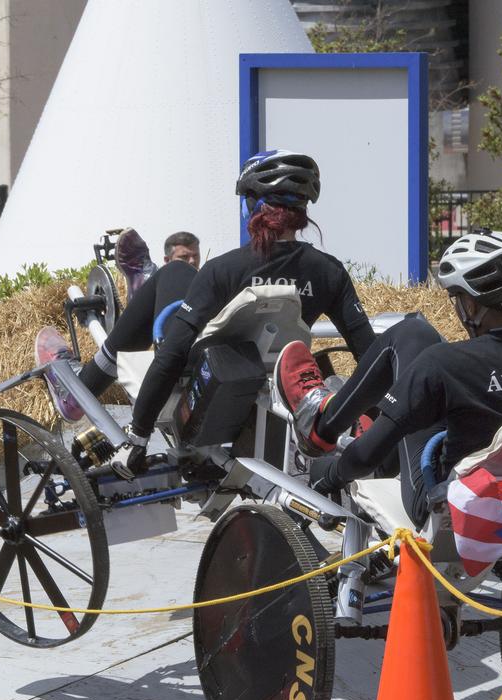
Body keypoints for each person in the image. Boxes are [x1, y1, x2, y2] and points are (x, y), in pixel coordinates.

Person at [279, 228, 502, 527]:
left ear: (470, 307)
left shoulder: (444, 364)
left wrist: (327, 475)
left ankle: (321, 427)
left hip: (448, 512)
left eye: (456, 299)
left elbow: (364, 459)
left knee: (411, 333)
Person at [105, 150, 376, 476]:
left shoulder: (223, 269)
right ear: (303, 210)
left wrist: (138, 435)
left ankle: (87, 379)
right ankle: (145, 282)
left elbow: (173, 353)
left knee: (174, 275)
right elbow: (370, 355)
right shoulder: (329, 273)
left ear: (253, 205)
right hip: (279, 386)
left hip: (207, 395)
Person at [76, 228, 204, 397]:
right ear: (166, 259)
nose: (192, 261)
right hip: (183, 360)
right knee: (179, 272)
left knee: (178, 272)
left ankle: (145, 288)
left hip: (184, 364)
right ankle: (147, 288)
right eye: (184, 257)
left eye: (196, 256)